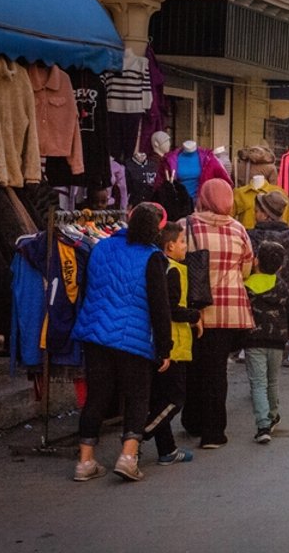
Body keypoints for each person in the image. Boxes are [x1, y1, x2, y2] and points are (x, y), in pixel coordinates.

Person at [71, 203, 173, 482]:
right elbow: (159, 307)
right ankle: (128, 457)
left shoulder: (100, 247)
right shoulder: (152, 257)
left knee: (97, 397)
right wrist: (164, 348)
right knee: (137, 396)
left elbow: (87, 287)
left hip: (96, 334)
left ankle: (85, 462)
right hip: (133, 339)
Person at [181, 179, 254, 450]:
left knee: (193, 366)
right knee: (216, 370)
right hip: (230, 311)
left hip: (195, 309)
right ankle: (213, 432)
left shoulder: (185, 226)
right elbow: (246, 270)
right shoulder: (239, 230)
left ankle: (192, 419)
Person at [142, 222, 200, 466]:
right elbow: (173, 309)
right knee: (175, 399)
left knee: (160, 398)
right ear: (170, 246)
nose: (186, 246)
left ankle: (167, 450)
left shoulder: (165, 267)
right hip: (173, 345)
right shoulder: (172, 270)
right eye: (182, 242)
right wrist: (194, 316)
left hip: (165, 343)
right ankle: (140, 432)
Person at [244, 241, 289, 443]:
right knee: (272, 380)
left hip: (253, 340)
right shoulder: (281, 286)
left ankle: (263, 425)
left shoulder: (247, 285)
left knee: (258, 383)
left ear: (256, 261)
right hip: (277, 340)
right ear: (279, 267)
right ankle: (273, 414)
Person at [247, 191, 289, 362]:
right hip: (283, 288)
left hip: (257, 290)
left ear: (266, 215)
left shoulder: (253, 235)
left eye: (257, 211)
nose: (255, 214)